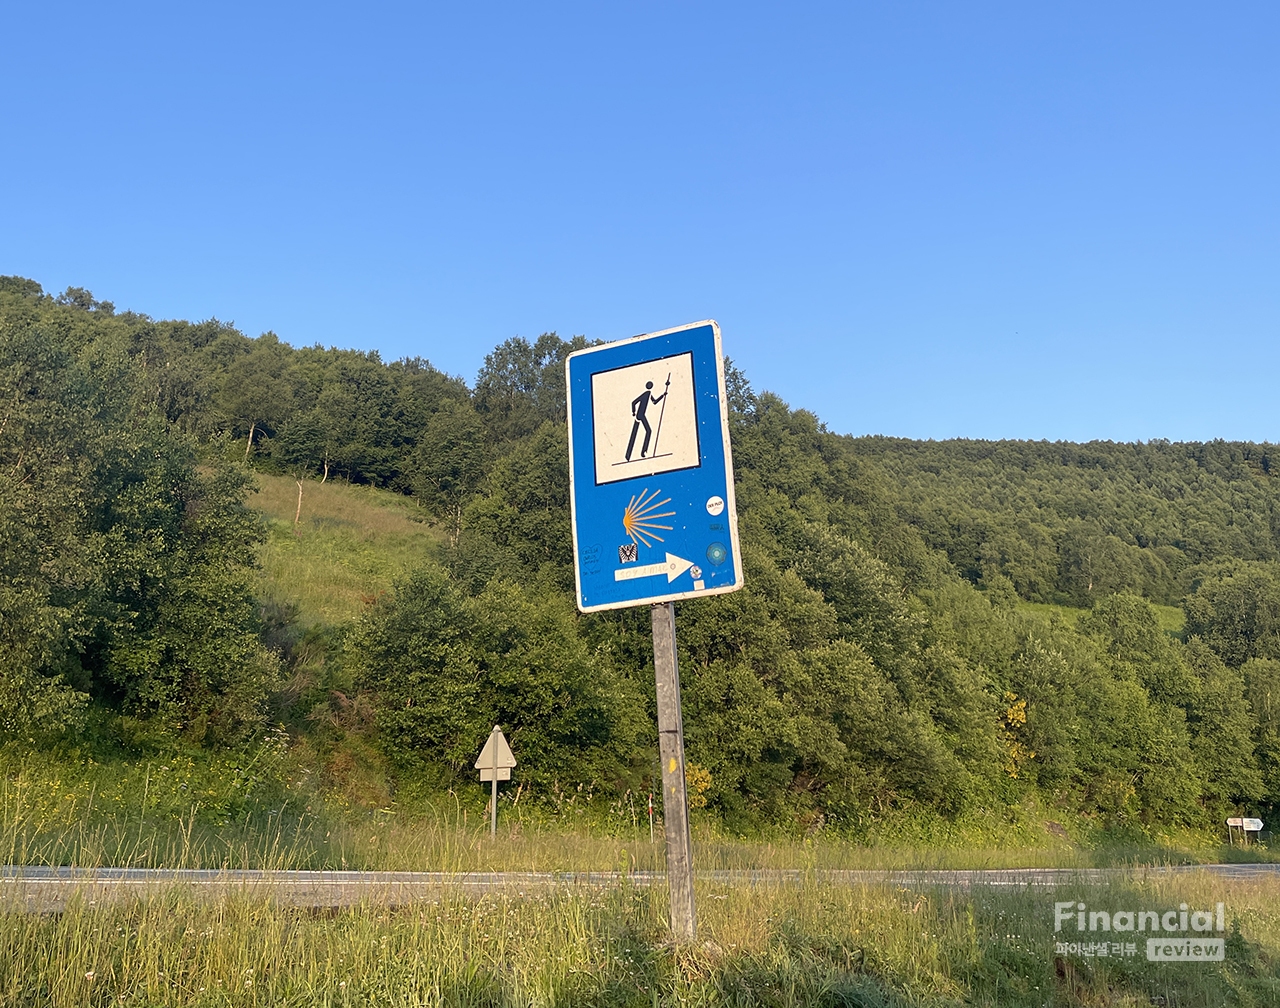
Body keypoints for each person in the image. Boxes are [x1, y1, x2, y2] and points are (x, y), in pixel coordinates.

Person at [625, 381, 666, 461]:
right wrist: (633, 412)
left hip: (641, 415)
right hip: (640, 415)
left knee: (639, 433)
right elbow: (633, 402)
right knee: (645, 432)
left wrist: (662, 395)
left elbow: (654, 402)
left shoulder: (649, 394)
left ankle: (639, 453)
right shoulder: (646, 394)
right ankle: (636, 453)